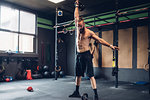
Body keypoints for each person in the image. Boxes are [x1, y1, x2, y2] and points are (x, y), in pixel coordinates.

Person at [69, 0, 119, 100]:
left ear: (84, 24)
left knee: (91, 75)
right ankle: (76, 91)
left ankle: (96, 95)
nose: (79, 27)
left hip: (86, 55)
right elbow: (76, 16)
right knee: (78, 75)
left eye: (80, 25)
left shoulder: (89, 33)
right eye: (78, 25)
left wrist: (110, 46)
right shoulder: (77, 28)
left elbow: (100, 40)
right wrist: (76, 6)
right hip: (78, 55)